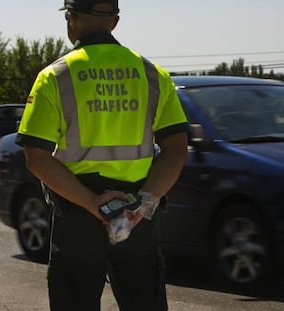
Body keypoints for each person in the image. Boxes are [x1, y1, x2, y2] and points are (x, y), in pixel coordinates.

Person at [15, 0, 188, 310]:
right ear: (115, 21)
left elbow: (36, 157)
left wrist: (93, 203)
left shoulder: (54, 77)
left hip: (79, 218)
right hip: (136, 218)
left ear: (70, 18)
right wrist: (144, 204)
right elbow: (176, 151)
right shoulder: (153, 75)